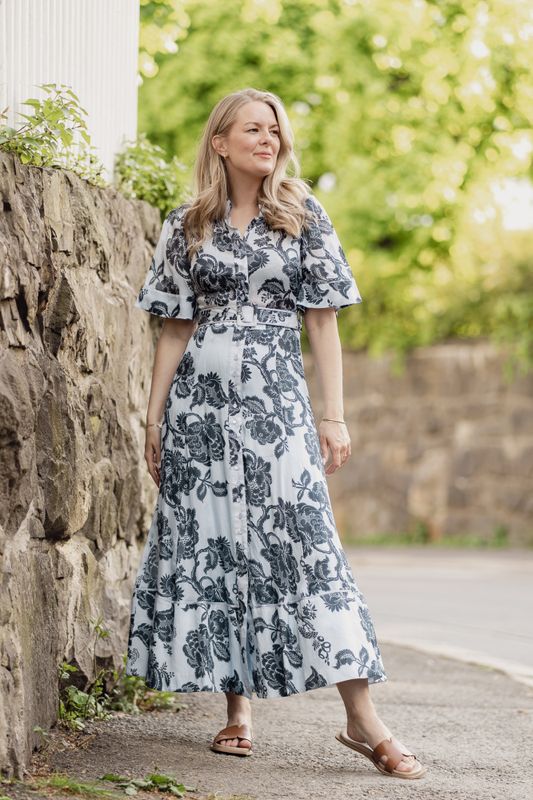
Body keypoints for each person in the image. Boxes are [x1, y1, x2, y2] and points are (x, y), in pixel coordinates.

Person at [125, 87, 426, 780]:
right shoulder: (187, 225)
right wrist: (152, 417)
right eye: (252, 129)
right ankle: (237, 713)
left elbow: (322, 320)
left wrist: (333, 414)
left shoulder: (301, 214)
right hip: (199, 413)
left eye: (274, 129)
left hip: (276, 410)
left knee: (306, 547)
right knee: (222, 547)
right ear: (220, 143)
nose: (268, 138)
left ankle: (361, 718)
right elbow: (174, 327)